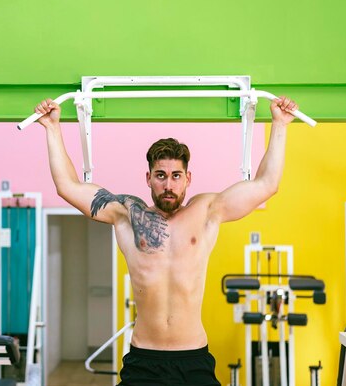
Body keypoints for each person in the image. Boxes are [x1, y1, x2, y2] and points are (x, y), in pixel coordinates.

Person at [34, 96, 299, 386]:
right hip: (144, 361)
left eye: (176, 176)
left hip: (193, 357)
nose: (168, 185)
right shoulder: (126, 215)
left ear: (188, 178)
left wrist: (280, 124)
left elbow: (267, 184)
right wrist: (52, 128)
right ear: (148, 178)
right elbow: (68, 187)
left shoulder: (207, 211)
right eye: (160, 176)